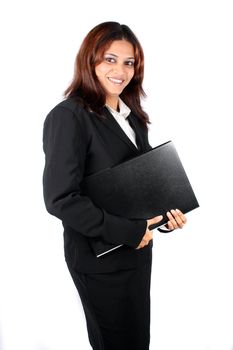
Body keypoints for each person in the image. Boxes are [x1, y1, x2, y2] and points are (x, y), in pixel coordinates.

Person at [42, 21, 187, 350]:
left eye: (129, 62)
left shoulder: (133, 116)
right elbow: (61, 199)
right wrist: (129, 232)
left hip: (137, 255)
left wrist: (166, 218)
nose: (120, 70)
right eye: (110, 59)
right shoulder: (69, 116)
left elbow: (142, 186)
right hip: (100, 262)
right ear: (89, 60)